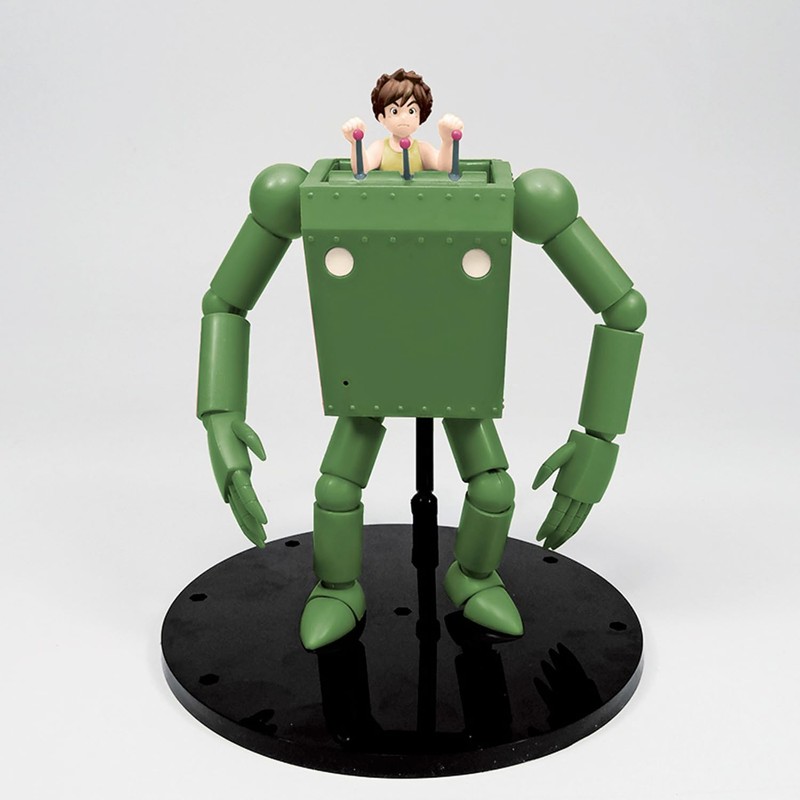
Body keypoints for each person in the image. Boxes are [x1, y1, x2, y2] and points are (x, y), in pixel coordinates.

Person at [342, 68, 463, 174]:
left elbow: (444, 168)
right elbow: (362, 169)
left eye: (411, 111)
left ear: (420, 116)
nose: (404, 117)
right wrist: (355, 143)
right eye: (394, 111)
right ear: (382, 118)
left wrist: (447, 142)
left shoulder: (422, 149)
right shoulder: (380, 148)